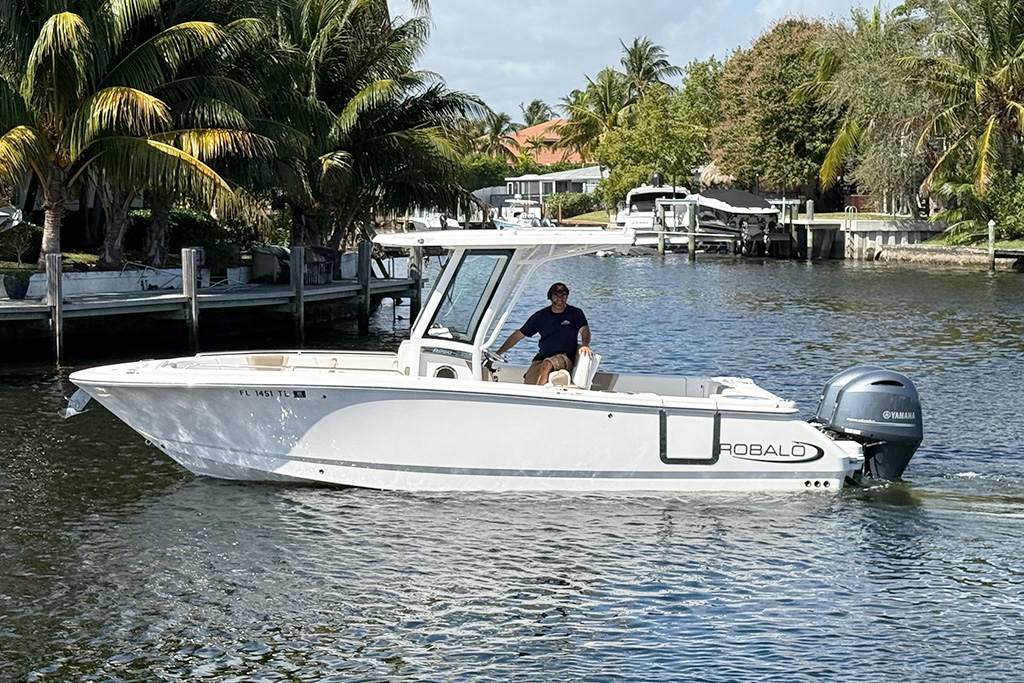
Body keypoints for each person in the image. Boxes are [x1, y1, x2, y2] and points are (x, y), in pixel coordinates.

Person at [495, 282, 592, 385]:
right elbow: (519, 335)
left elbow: (584, 330)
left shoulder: (575, 313)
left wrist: (585, 345)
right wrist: (499, 352)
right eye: (556, 295)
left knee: (548, 364)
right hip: (542, 358)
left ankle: (540, 395)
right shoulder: (540, 316)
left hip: (565, 358)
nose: (560, 298)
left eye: (563, 295)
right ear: (550, 297)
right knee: (529, 380)